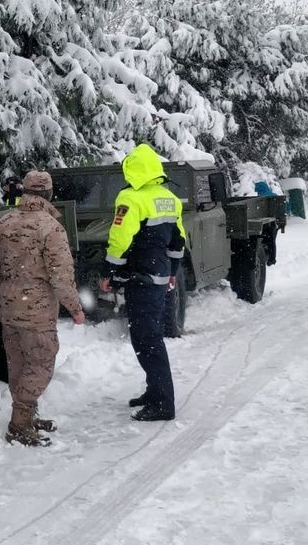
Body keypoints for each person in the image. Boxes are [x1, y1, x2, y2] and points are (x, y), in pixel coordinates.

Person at [0, 171, 85, 446]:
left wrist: (10, 291)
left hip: (9, 307)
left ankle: (27, 415)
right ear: (48, 194)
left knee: (18, 363)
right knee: (42, 363)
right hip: (38, 310)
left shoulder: (4, 222)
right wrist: (75, 308)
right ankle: (19, 424)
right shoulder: (50, 227)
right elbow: (61, 276)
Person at [99, 144, 186, 422]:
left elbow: (120, 238)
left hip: (141, 278)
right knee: (150, 336)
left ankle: (163, 403)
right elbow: (178, 240)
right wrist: (172, 270)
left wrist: (108, 270)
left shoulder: (130, 197)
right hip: (158, 276)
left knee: (147, 340)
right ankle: (154, 390)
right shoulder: (169, 197)